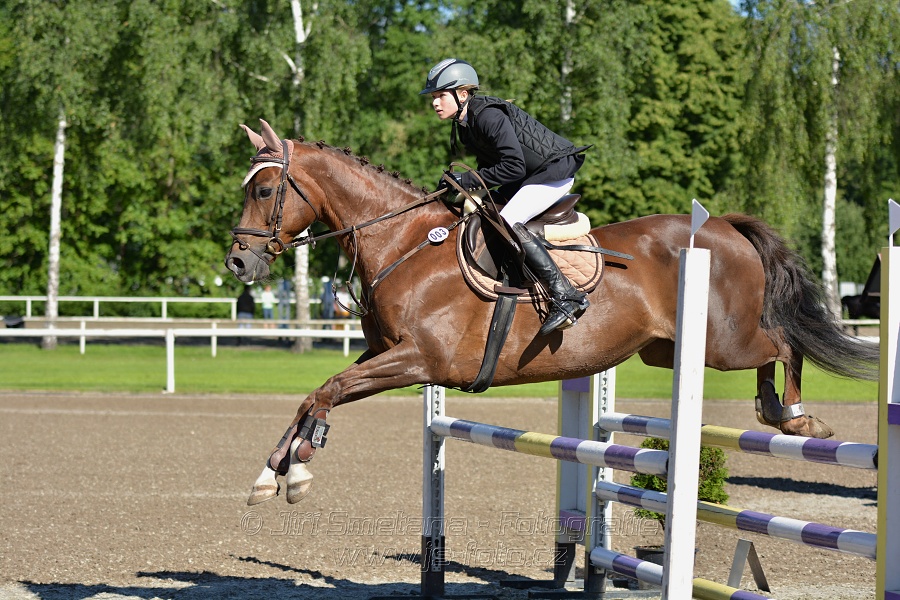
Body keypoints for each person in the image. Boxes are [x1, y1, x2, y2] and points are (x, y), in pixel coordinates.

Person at [420, 58, 590, 335]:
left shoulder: (487, 116)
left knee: (509, 218)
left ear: (462, 94)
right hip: (527, 177)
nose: (435, 103)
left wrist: (470, 179)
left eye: (440, 96)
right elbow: (494, 168)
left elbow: (513, 166)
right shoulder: (466, 124)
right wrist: (458, 185)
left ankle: (566, 295)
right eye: (433, 97)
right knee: (479, 208)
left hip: (553, 173)